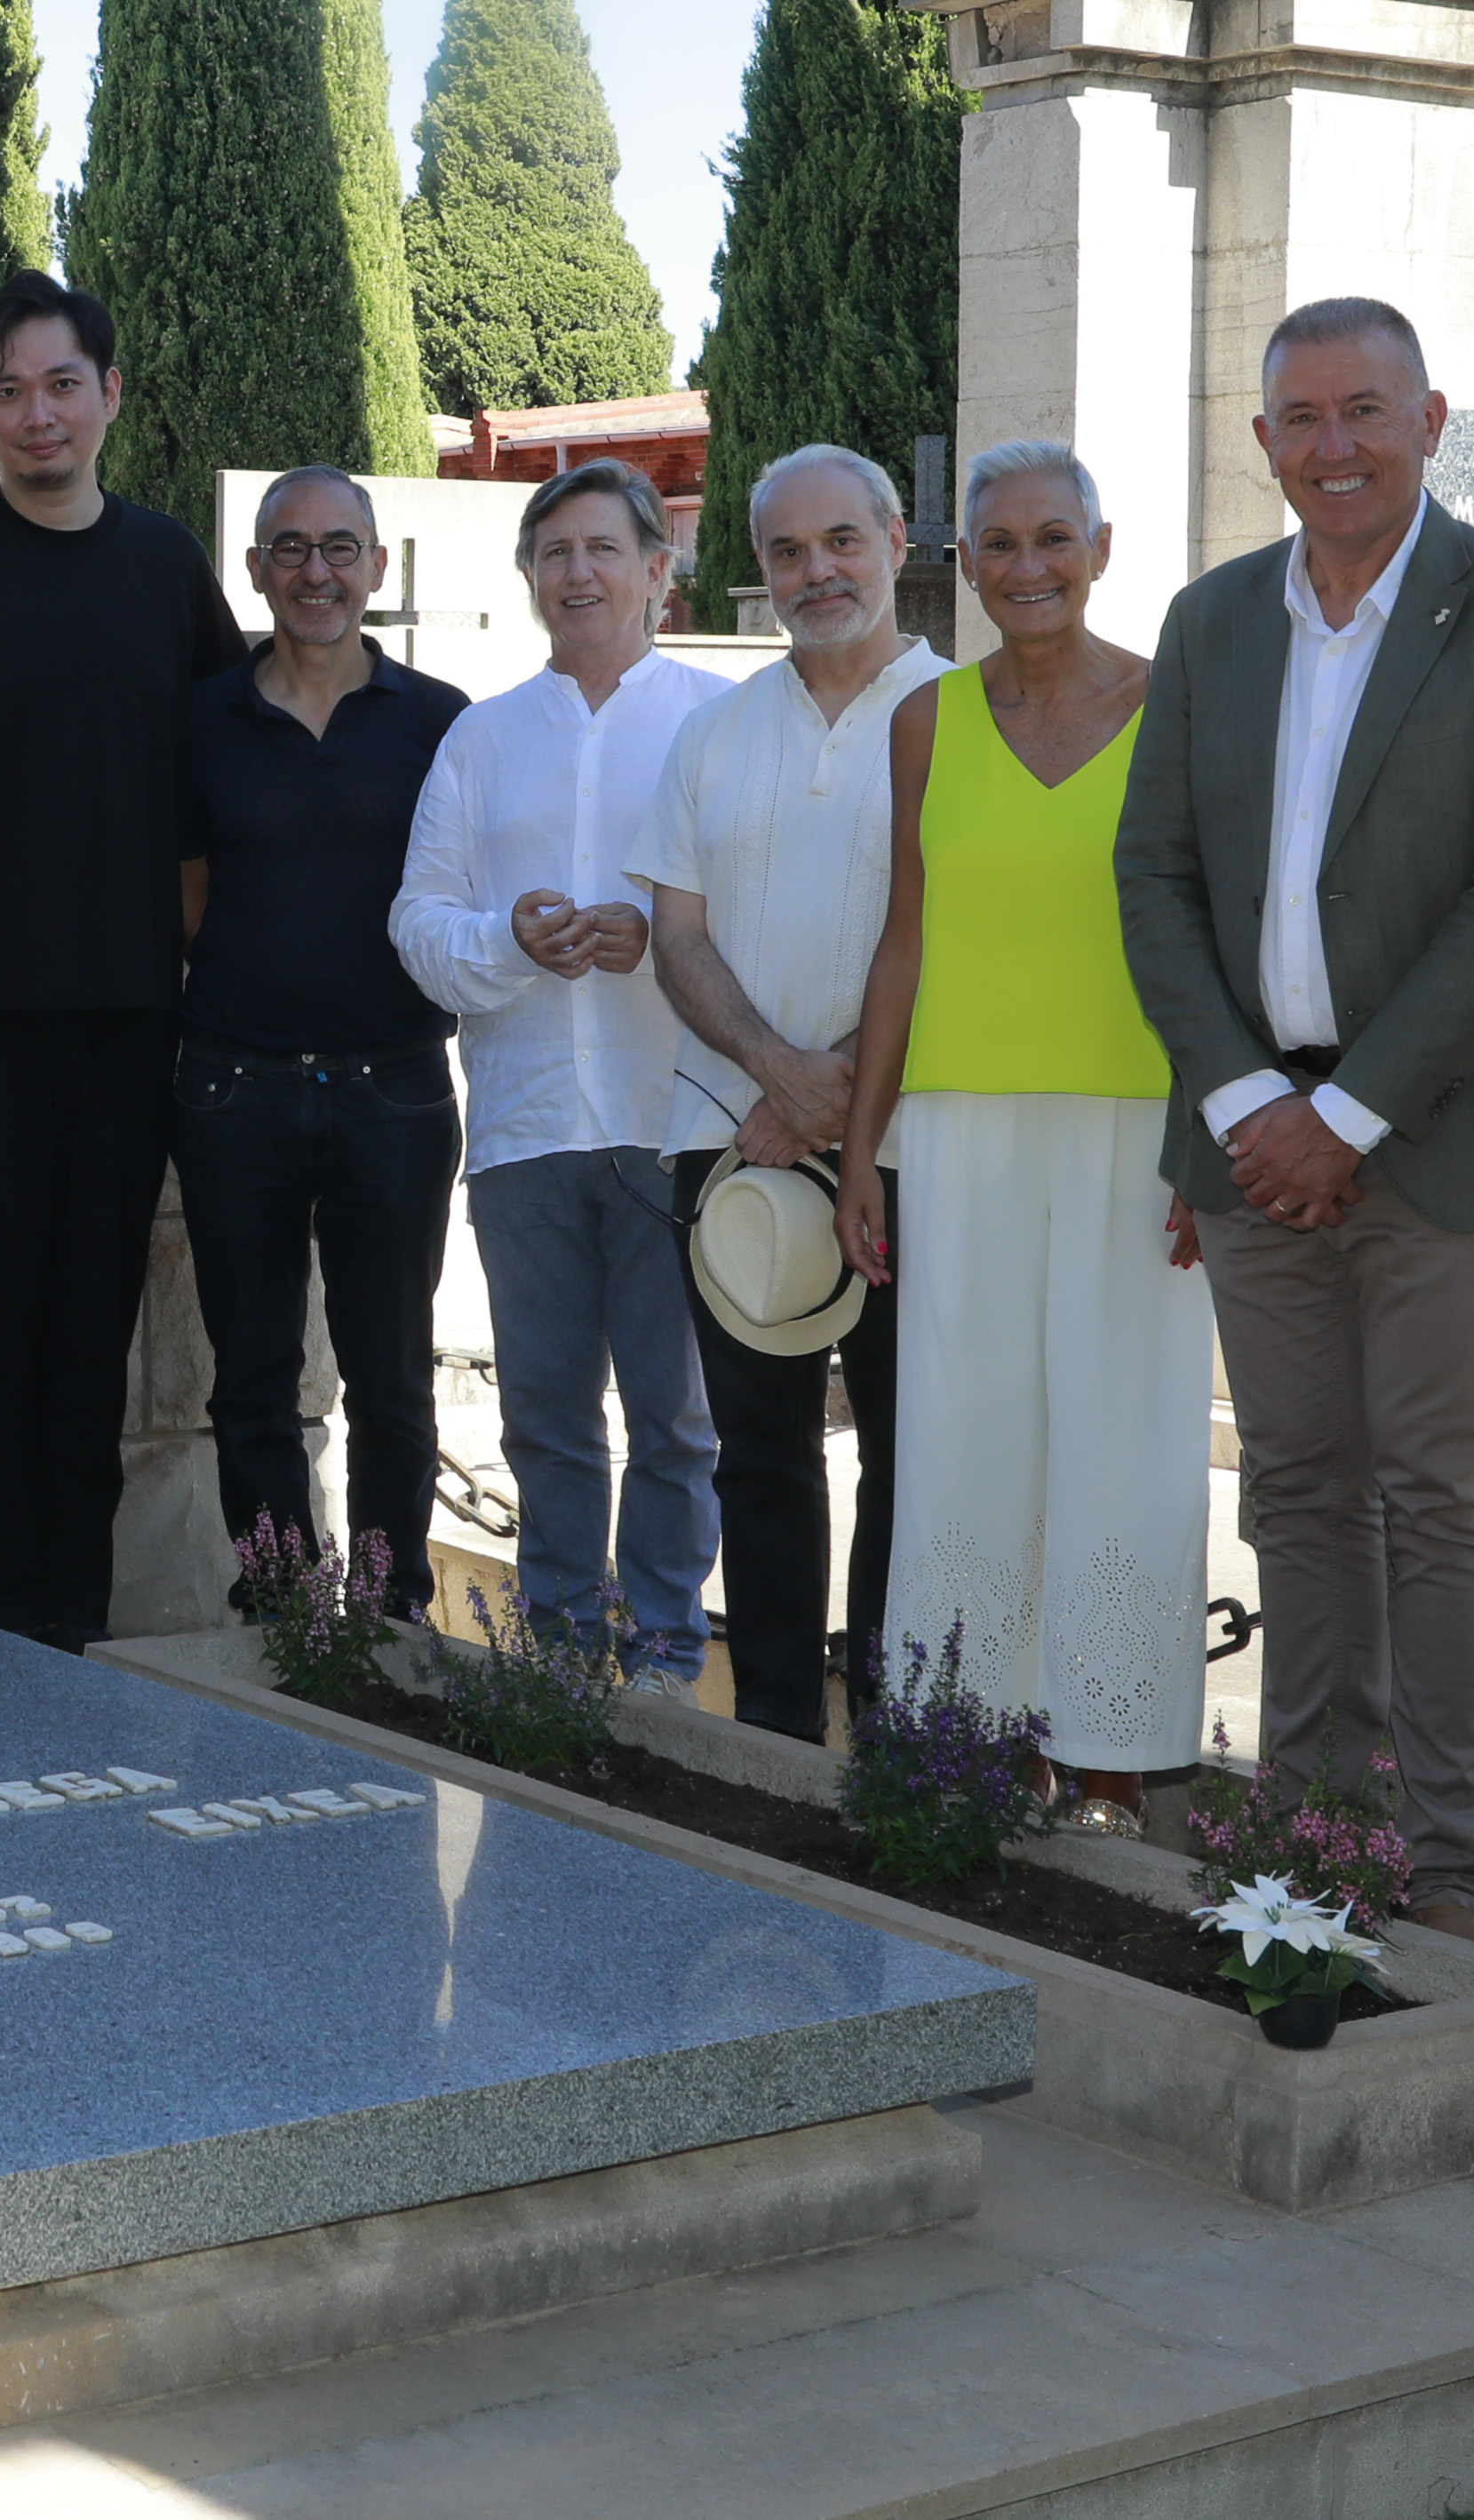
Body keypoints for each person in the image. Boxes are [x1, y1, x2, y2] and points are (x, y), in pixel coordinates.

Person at [1110, 299, 1474, 1945]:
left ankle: (1451, 1876)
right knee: (1301, 1489)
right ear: (1261, 441)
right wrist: (1256, 1102)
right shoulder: (1208, 623)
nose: (1333, 445)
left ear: (1431, 418)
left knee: (1438, 1491)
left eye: (1365, 412)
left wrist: (1358, 1110)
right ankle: (1316, 1841)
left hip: (1447, 1141)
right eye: (1300, 417)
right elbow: (1157, 874)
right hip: (1255, 1143)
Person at [838, 441, 1208, 1830]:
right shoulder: (924, 722)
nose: (1026, 568)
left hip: (1135, 1122)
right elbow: (904, 938)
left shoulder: (1176, 707)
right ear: (964, 564)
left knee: (1132, 1431)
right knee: (960, 1434)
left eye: (1054, 539)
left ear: (1102, 549)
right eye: (996, 544)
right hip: (957, 1127)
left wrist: (1207, 1134)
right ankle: (974, 1746)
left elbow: (1212, 936)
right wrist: (861, 1149)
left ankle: (1113, 1755)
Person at [0, 270, 249, 1649]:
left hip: (129, 1010)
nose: (38, 416)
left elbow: (222, 779)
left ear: (109, 395)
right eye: (8, 392)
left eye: (62, 386)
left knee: (93, 1329)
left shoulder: (163, 566)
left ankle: (72, 1635)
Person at [391, 460, 727, 1680]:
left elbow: (768, 917)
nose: (575, 573)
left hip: (674, 1120)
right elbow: (419, 925)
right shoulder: (481, 740)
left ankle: (669, 1664)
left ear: (657, 570)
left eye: (600, 550)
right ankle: (558, 1660)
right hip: (527, 1129)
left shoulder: (715, 724)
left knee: (677, 1423)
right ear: (530, 579)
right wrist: (509, 943)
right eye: (553, 554)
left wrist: (670, 944)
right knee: (545, 1422)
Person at [633, 444, 947, 1740]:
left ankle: (890, 1740)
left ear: (891, 542)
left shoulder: (964, 718)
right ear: (754, 569)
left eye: (839, 543)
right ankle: (772, 1740)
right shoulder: (710, 732)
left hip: (914, 1153)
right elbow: (677, 937)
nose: (813, 572)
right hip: (728, 1145)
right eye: (784, 551)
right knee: (758, 1457)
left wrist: (842, 1108)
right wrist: (781, 1078)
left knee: (904, 1454)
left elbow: (963, 939)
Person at [173, 468, 474, 1612]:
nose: (315, 572)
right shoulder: (201, 717)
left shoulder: (439, 721)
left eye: (339, 548)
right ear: (253, 571)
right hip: (231, 1089)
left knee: (390, 1379)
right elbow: (185, 897)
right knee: (250, 1381)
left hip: (393, 1092)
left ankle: (388, 1615)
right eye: (289, 550)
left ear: (375, 567)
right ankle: (283, 1610)